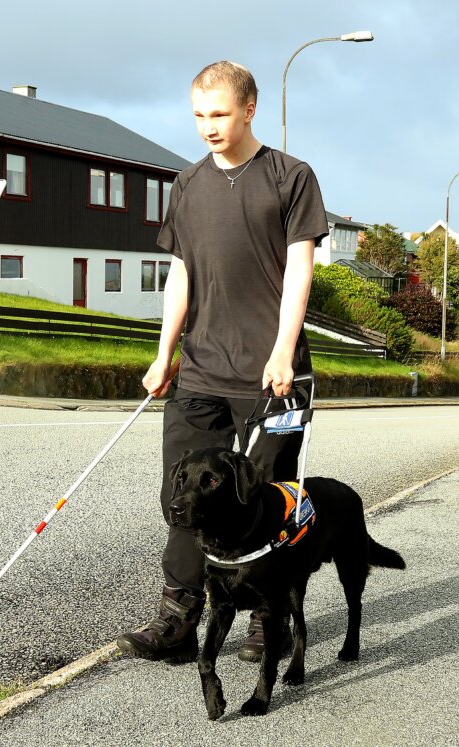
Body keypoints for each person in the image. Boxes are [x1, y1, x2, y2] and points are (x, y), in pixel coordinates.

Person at [116, 61, 328, 664]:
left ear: (249, 109)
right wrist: (164, 355)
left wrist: (284, 349)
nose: (208, 127)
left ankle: (270, 620)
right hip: (201, 371)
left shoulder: (291, 177)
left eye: (220, 114)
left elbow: (299, 270)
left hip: (273, 377)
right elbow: (179, 272)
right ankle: (180, 620)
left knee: (269, 500)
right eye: (199, 116)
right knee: (182, 495)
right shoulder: (187, 185)